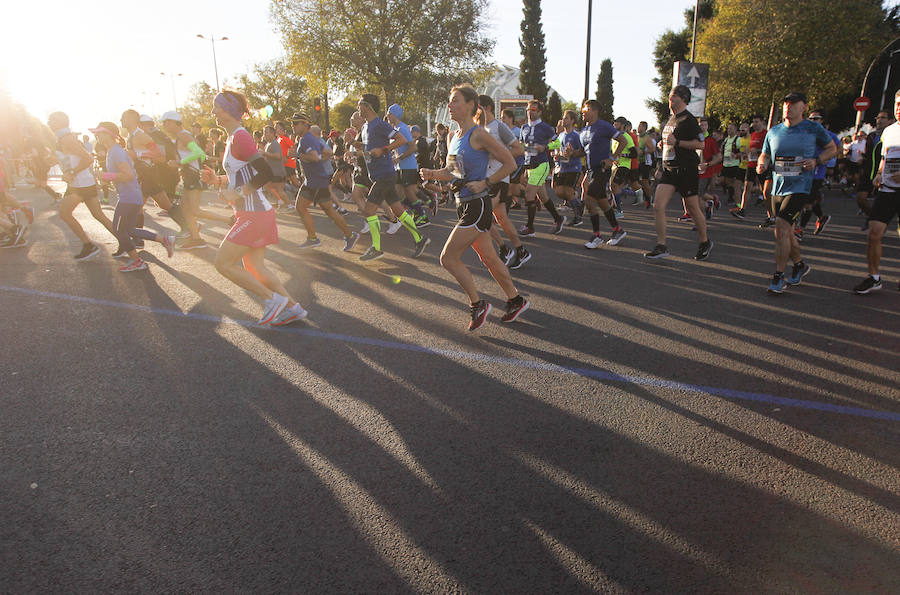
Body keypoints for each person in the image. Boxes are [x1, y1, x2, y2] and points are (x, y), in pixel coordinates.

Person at [420, 85, 529, 330]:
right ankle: (515, 299)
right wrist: (431, 174)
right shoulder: (454, 137)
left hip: (477, 205)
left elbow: (511, 162)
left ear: (471, 105)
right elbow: (452, 172)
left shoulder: (479, 135)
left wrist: (487, 182)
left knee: (448, 258)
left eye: (455, 101)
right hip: (463, 203)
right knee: (489, 257)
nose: (450, 105)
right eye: (449, 102)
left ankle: (477, 304)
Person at [200, 90, 306, 326]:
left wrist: (236, 193)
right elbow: (241, 176)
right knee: (255, 267)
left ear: (229, 109)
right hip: (255, 211)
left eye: (217, 106)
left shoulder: (240, 137)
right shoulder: (232, 138)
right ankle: (294, 308)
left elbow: (265, 172)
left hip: (254, 213)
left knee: (223, 263)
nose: (213, 111)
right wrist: (216, 180)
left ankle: (271, 300)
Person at [756, 92, 836, 293]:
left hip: (800, 185)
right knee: (784, 232)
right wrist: (762, 162)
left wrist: (816, 161)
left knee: (782, 227)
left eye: (793, 104)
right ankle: (800, 264)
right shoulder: (773, 131)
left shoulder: (812, 128)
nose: (788, 107)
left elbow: (832, 149)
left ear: (804, 107)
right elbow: (765, 153)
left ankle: (778, 276)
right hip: (778, 185)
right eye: (785, 104)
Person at [353, 93, 429, 261]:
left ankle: (376, 248)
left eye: (360, 104)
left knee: (369, 210)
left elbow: (400, 139)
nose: (358, 108)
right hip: (377, 175)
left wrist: (384, 149)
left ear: (367, 106)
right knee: (399, 211)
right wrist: (355, 146)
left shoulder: (380, 124)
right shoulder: (365, 127)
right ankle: (420, 239)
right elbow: (369, 148)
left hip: (385, 175)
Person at [90, 121, 175, 272]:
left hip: (129, 198)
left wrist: (105, 175)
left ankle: (137, 261)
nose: (96, 135)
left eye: (99, 132)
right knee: (129, 229)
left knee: (118, 229)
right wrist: (107, 177)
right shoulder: (113, 151)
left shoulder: (116, 151)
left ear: (108, 134)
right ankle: (165, 240)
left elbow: (128, 175)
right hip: (130, 196)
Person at [645, 85, 712, 260]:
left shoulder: (689, 120)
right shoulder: (671, 119)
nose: (670, 99)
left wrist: (678, 142)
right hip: (669, 169)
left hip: (686, 170)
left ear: (682, 99)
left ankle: (705, 241)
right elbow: (670, 141)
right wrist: (663, 144)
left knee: (692, 208)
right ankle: (661, 245)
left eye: (673, 96)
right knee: (658, 206)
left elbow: (700, 144)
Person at [47, 112, 117, 260]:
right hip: (82, 183)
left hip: (80, 184)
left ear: (59, 123)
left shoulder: (67, 139)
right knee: (99, 215)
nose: (48, 123)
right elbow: (71, 158)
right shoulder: (63, 138)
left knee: (64, 213)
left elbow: (88, 158)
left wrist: (71, 172)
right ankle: (127, 241)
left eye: (51, 121)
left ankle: (88, 245)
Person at [291, 112, 359, 251]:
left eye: (296, 123)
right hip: (315, 180)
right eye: (293, 123)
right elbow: (328, 153)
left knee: (301, 207)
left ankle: (314, 239)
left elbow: (315, 157)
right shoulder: (311, 138)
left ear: (304, 124)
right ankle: (349, 235)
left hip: (315, 181)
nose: (293, 126)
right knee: (328, 210)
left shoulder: (306, 139)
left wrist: (296, 155)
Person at [854, 90, 900, 294]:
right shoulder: (889, 131)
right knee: (874, 233)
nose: (899, 108)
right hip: (888, 190)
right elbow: (885, 158)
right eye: (897, 103)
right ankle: (874, 277)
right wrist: (879, 174)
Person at [477, 94, 531, 269]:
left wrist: (494, 155)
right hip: (488, 178)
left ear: (487, 108)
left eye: (476, 108)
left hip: (499, 178)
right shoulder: (480, 128)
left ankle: (503, 249)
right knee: (501, 218)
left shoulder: (498, 127)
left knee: (482, 217)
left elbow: (519, 149)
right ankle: (519, 250)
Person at [564, 99, 627, 249]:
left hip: (602, 169)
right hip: (591, 170)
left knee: (589, 199)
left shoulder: (604, 126)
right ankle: (617, 230)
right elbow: (582, 151)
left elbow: (622, 141)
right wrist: (572, 153)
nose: (582, 113)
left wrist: (612, 158)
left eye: (584, 111)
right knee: (602, 202)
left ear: (593, 110)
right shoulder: (583, 131)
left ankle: (597, 235)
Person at [159, 111, 210, 248]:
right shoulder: (179, 136)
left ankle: (230, 220)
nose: (164, 126)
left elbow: (199, 153)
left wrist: (180, 162)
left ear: (174, 122)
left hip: (193, 176)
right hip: (188, 176)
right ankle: (196, 239)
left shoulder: (183, 135)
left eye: (166, 123)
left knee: (194, 211)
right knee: (185, 209)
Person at [518, 100, 566, 236]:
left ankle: (530, 227)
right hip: (529, 165)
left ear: (539, 112)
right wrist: (523, 148)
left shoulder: (545, 127)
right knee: (543, 197)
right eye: (528, 109)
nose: (529, 112)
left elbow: (557, 143)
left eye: (533, 110)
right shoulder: (524, 128)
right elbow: (522, 145)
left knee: (528, 194)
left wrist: (544, 147)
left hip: (541, 164)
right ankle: (558, 218)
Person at [552, 110, 584, 225]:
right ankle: (578, 204)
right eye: (563, 118)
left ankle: (578, 217)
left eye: (566, 118)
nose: (563, 120)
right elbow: (560, 151)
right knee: (559, 192)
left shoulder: (576, 136)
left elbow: (583, 151)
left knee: (569, 192)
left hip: (574, 167)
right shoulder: (560, 136)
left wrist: (573, 153)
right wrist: (557, 157)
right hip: (563, 167)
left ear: (572, 121)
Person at [261, 125, 292, 209]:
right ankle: (280, 201)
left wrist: (264, 153)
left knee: (279, 189)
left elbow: (278, 156)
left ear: (272, 134)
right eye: (264, 133)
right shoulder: (268, 144)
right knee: (267, 186)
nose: (264, 135)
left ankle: (289, 206)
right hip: (272, 172)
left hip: (278, 172)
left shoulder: (275, 143)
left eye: (266, 132)